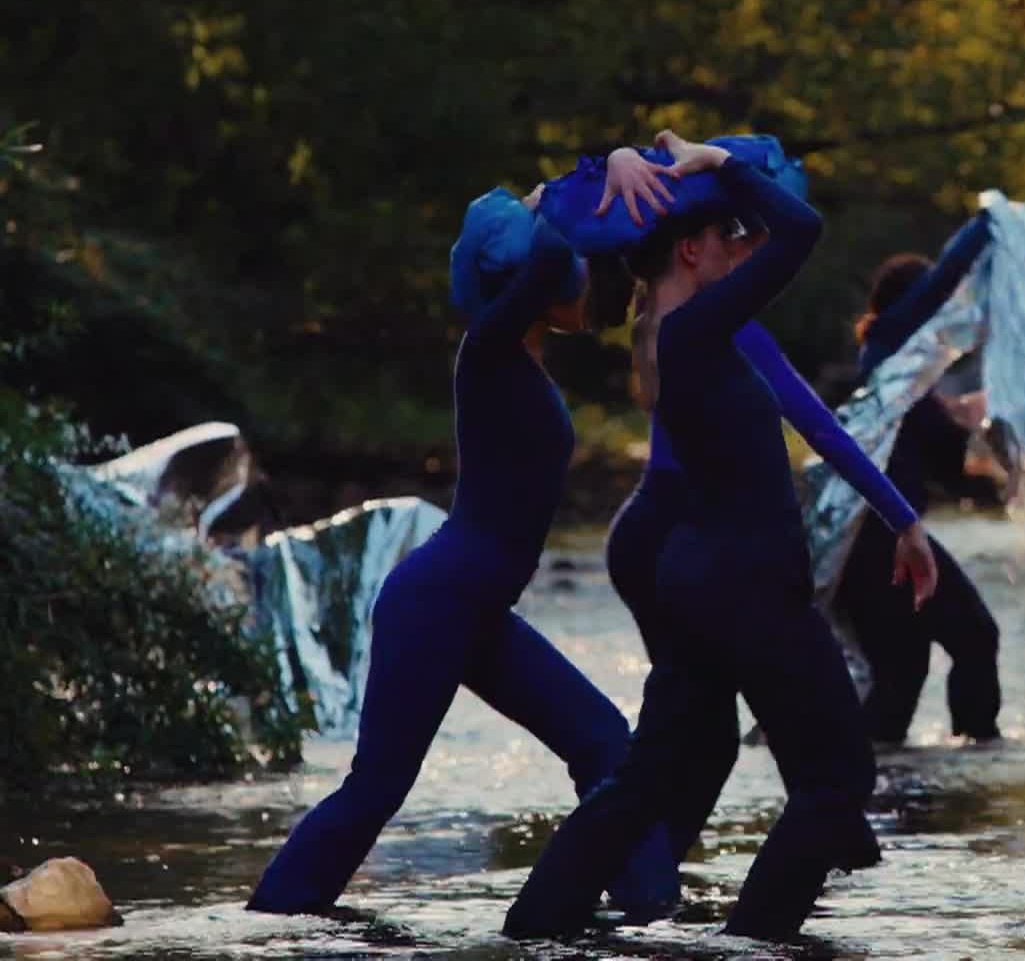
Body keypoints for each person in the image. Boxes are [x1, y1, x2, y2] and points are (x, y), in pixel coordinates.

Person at [504, 132, 932, 942]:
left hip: (702, 580)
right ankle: (754, 942)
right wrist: (715, 162)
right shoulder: (699, 329)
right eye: (730, 233)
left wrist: (625, 158)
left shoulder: (689, 333)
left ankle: (535, 928)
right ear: (691, 250)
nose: (746, 245)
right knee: (838, 777)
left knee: (652, 776)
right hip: (748, 583)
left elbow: (549, 208)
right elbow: (800, 229)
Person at [246, 186, 677, 916]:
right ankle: (270, 926)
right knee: (378, 786)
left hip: (475, 610)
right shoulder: (489, 349)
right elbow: (549, 252)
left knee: (604, 741)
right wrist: (575, 190)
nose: (583, 279)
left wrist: (545, 202)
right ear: (532, 283)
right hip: (439, 602)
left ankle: (653, 911)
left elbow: (547, 254)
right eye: (570, 270)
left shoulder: (518, 357)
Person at [836, 212, 1005, 744]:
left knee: (902, 675)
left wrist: (969, 426)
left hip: (880, 538)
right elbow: (945, 278)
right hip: (876, 540)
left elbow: (943, 468)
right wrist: (991, 219)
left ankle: (884, 776)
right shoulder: (887, 347)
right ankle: (978, 756)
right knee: (968, 639)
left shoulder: (903, 377)